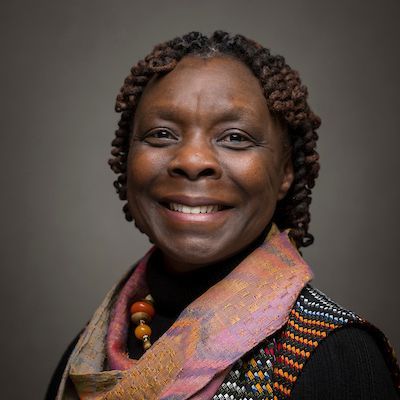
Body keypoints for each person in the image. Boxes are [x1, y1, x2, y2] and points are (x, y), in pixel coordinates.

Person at [46, 31, 400, 400]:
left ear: (285, 172)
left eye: (234, 137)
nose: (192, 161)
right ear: (127, 157)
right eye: (162, 134)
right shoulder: (89, 353)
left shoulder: (334, 357)